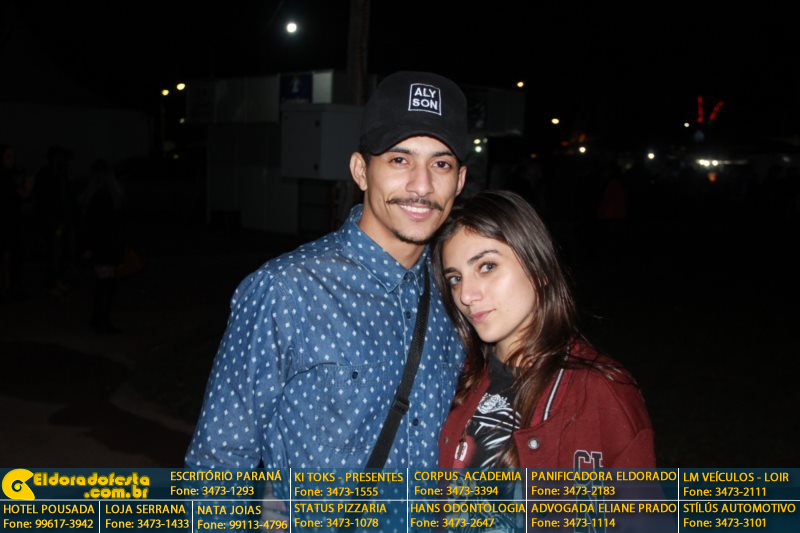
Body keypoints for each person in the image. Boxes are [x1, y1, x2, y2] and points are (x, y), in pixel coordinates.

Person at [185, 71, 470, 470]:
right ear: (360, 170)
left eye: (440, 163)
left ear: (459, 181)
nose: (421, 185)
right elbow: (219, 459)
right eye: (399, 159)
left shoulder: (460, 295)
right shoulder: (286, 290)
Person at [433, 190, 655, 469]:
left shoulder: (600, 393)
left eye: (487, 266)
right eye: (455, 279)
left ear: (539, 269)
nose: (466, 295)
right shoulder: (457, 379)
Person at [80, 159, 126, 334]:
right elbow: (103, 227)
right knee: (106, 285)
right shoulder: (105, 198)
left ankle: (99, 319)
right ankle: (102, 321)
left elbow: (89, 226)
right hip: (106, 247)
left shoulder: (95, 197)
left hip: (102, 247)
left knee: (103, 284)